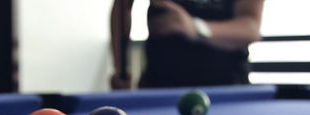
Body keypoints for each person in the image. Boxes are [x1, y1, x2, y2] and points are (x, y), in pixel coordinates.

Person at [110, 0, 264, 89]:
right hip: (159, 85)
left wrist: (195, 28)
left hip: (227, 88)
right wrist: (121, 68)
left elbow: (251, 28)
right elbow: (122, 8)